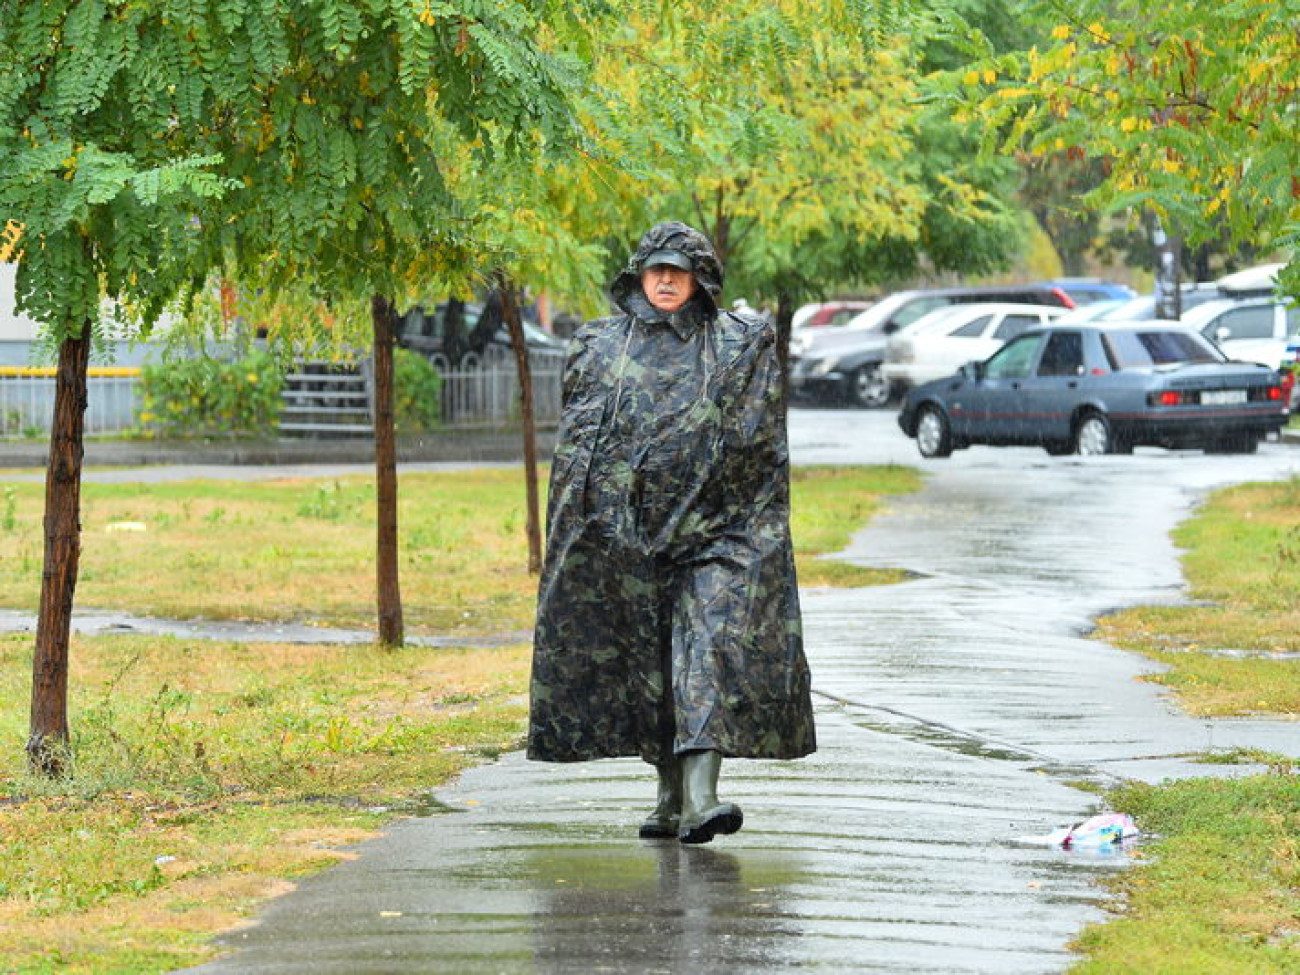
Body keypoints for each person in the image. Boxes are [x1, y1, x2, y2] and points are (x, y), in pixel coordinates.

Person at [527, 220, 816, 845]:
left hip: (716, 535)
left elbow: (756, 441)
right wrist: (595, 527)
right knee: (651, 666)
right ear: (637, 276)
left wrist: (738, 521)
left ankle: (702, 799)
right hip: (628, 538)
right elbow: (578, 446)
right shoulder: (600, 346)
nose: (664, 280)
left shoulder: (738, 345)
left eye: (676, 271)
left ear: (699, 279)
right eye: (655, 269)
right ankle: (667, 798)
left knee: (706, 649)